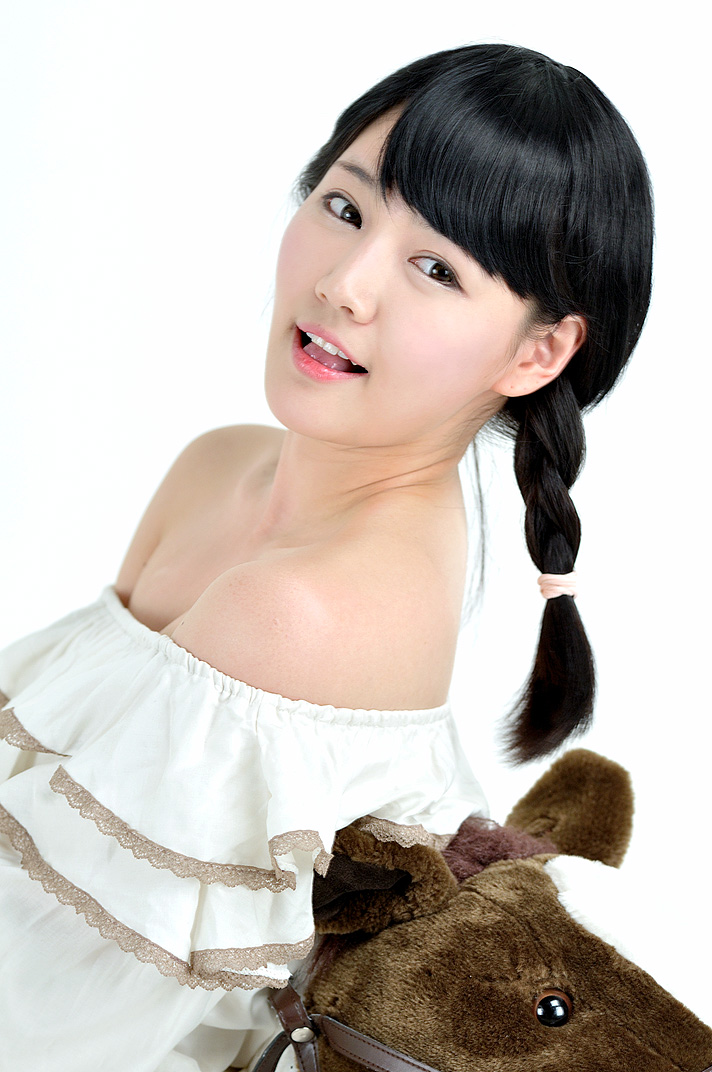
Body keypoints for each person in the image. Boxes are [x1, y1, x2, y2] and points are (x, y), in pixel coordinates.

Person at [0, 43, 652, 1072]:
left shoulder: (301, 611)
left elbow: (53, 1020)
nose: (343, 284)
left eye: (436, 269)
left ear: (537, 352)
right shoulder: (219, 468)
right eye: (345, 208)